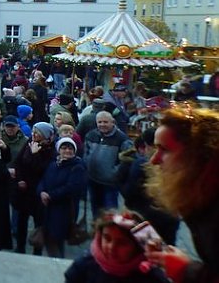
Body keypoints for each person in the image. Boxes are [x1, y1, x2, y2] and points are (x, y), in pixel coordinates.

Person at [145, 106, 219, 283]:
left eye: (164, 149)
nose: (154, 160)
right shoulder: (201, 195)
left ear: (197, 155)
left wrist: (187, 270)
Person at [65, 210, 168, 283]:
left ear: (137, 246)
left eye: (122, 243)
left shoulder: (150, 277)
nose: (111, 247)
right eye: (107, 238)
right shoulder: (85, 265)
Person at [37, 137, 88, 257]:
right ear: (58, 150)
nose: (67, 151)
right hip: (48, 208)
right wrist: (41, 192)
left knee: (56, 238)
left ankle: (57, 264)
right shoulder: (53, 164)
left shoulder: (77, 166)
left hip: (63, 209)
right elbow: (43, 180)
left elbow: (71, 187)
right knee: (50, 237)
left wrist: (50, 195)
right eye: (64, 148)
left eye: (70, 148)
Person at [11, 121, 57, 254]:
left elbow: (43, 170)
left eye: (37, 133)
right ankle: (20, 247)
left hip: (38, 191)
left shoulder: (51, 150)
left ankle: (37, 249)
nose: (34, 134)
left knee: (39, 222)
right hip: (24, 189)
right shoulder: (30, 142)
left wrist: (35, 154)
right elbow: (19, 161)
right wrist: (19, 179)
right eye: (34, 132)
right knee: (21, 220)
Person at [84, 110, 133, 218]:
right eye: (99, 122)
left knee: (110, 214)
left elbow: (128, 160)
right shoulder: (91, 135)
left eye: (105, 122)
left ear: (113, 122)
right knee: (95, 211)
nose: (102, 124)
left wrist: (115, 174)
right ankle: (97, 231)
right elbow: (85, 153)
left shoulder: (122, 139)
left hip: (110, 184)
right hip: (93, 180)